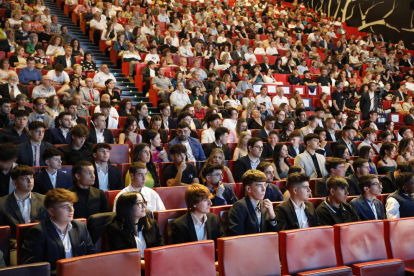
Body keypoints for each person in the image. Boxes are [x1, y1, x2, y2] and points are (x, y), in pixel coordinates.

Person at [20, 188, 97, 276]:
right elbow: (33, 268)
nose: (71, 209)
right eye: (65, 207)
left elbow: (93, 256)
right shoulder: (38, 232)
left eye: (71, 205)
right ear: (51, 211)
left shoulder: (80, 226)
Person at [107, 191, 164, 258]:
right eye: (140, 203)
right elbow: (122, 257)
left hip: (152, 264)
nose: (144, 206)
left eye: (144, 202)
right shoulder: (115, 229)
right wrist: (147, 265)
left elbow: (160, 248)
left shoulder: (152, 224)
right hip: (130, 266)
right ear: (128, 207)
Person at [0, 165, 48, 239]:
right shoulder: (2, 204)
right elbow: (2, 233)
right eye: (24, 178)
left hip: (39, 242)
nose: (30, 181)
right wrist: (14, 244)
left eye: (31, 177)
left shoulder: (43, 199)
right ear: (15, 183)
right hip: (15, 245)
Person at [171, 184, 225, 249]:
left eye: (209, 199)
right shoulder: (179, 225)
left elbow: (222, 244)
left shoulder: (214, 219)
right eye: (205, 200)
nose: (210, 203)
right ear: (193, 203)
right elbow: (181, 252)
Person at [228, 170, 277, 236]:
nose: (263, 189)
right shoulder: (239, 207)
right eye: (259, 185)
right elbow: (237, 236)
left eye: (264, 185)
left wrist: (272, 217)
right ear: (248, 189)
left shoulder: (265, 205)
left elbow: (274, 236)